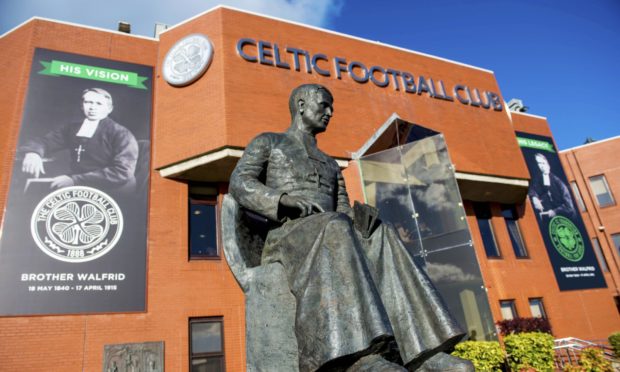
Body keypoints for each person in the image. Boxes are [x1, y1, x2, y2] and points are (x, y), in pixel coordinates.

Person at [230, 84, 473, 371]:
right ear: (301, 105)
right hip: (285, 236)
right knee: (333, 225)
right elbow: (240, 182)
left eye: (332, 107)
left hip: (330, 232)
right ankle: (357, 358)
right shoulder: (269, 142)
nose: (330, 113)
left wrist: (362, 220)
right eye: (324, 105)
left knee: (381, 233)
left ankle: (424, 352)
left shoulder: (331, 164)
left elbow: (342, 209)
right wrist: (282, 200)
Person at [21, 88, 138, 191]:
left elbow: (122, 172)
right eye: (88, 102)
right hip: (78, 183)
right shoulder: (73, 128)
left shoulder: (121, 133)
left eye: (99, 103)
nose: (92, 107)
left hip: (114, 189)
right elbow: (45, 142)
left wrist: (75, 180)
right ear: (82, 106)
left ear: (109, 109)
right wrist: (33, 153)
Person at [529, 153, 576, 220]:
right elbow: (533, 189)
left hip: (567, 219)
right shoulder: (539, 179)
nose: (541, 166)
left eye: (543, 163)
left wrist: (555, 211)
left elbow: (569, 207)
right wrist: (534, 198)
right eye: (539, 163)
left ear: (548, 164)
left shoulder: (559, 183)